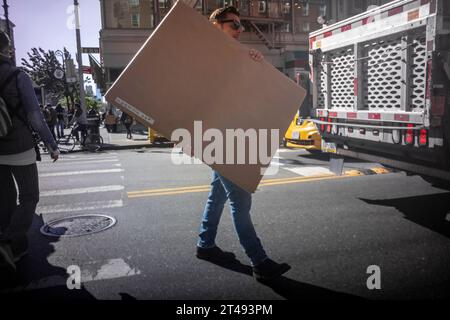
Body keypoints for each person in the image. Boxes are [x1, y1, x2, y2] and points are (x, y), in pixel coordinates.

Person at [195, 6, 291, 281]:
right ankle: (259, 262)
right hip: (219, 138)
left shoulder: (232, 55)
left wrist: (255, 62)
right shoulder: (206, 57)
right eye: (233, 25)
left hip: (228, 134)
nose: (240, 30)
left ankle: (205, 244)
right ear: (216, 25)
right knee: (240, 199)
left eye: (241, 25)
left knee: (218, 194)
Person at [0, 31, 59, 276]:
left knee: (4, 200)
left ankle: (17, 247)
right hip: (19, 146)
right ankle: (9, 242)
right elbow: (35, 116)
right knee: (29, 197)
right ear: (6, 48)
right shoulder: (17, 76)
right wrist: (51, 144)